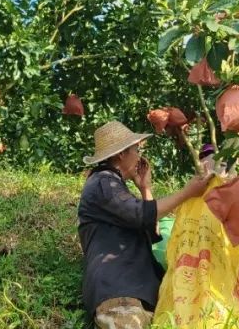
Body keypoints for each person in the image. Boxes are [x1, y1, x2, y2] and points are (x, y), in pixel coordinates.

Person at [78, 120, 211, 329]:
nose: (139, 156)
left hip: (137, 294)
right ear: (121, 154)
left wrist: (145, 189)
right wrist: (187, 192)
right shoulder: (103, 182)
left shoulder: (114, 187)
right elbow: (141, 214)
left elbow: (150, 227)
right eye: (136, 150)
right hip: (119, 293)